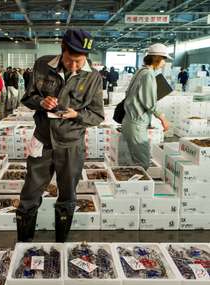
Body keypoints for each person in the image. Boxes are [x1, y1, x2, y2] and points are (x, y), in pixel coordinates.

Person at [16, 28, 104, 242]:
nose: (74, 65)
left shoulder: (93, 77)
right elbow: (27, 98)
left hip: (71, 145)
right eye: (70, 59)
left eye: (79, 61)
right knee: (29, 194)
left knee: (67, 196)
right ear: (62, 49)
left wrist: (77, 114)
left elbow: (97, 115)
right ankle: (24, 244)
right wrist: (41, 102)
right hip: (43, 141)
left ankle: (61, 245)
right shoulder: (43, 65)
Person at [121, 43, 170, 170]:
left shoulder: (140, 71)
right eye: (163, 59)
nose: (164, 62)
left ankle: (132, 188)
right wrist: (162, 118)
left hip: (130, 121)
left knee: (133, 162)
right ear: (156, 58)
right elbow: (149, 102)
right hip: (136, 124)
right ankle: (137, 189)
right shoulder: (148, 74)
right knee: (142, 163)